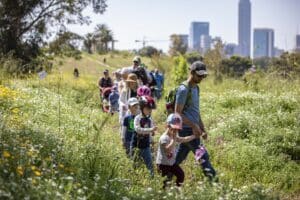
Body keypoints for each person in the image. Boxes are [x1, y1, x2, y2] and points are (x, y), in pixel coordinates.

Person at [174, 61, 216, 180]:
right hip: (187, 130)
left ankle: (166, 175)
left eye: (204, 76)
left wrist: (202, 127)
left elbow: (195, 111)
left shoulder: (196, 88)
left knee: (179, 157)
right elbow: (177, 113)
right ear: (191, 72)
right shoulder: (183, 90)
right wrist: (193, 126)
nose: (202, 78)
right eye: (199, 75)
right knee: (203, 157)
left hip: (194, 129)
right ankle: (215, 183)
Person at [156, 113, 196, 189]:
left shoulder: (173, 136)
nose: (175, 131)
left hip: (171, 163)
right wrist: (173, 140)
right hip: (162, 165)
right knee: (165, 183)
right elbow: (168, 150)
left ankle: (177, 190)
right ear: (167, 126)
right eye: (173, 128)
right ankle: (163, 194)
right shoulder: (164, 138)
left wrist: (194, 136)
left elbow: (183, 139)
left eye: (177, 129)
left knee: (181, 175)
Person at [132, 95, 157, 177]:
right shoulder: (137, 118)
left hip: (146, 146)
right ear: (142, 108)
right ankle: (136, 180)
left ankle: (152, 180)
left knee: (150, 165)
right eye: (147, 109)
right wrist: (150, 130)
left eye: (151, 109)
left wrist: (152, 137)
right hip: (136, 146)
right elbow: (137, 129)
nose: (150, 111)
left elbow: (151, 132)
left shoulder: (150, 119)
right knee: (136, 165)